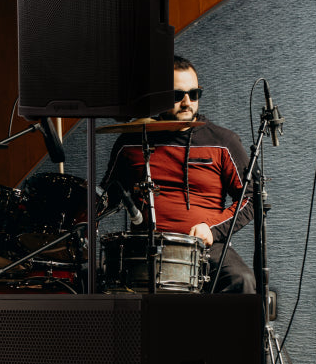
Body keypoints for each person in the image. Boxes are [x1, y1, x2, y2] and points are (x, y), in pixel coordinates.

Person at [101, 55, 256, 293]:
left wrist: (211, 228)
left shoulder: (223, 141)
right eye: (177, 95)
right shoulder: (130, 142)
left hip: (203, 248)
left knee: (241, 279)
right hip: (144, 247)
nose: (187, 102)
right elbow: (108, 196)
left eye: (194, 94)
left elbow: (251, 198)